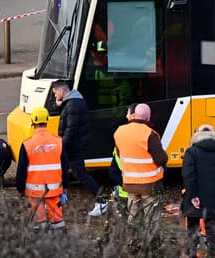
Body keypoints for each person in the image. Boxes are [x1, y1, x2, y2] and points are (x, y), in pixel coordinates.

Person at [51, 79, 107, 217]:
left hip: (73, 145)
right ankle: (60, 198)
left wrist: (61, 145)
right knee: (66, 170)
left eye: (55, 93)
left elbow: (71, 129)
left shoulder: (72, 106)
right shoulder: (74, 101)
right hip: (74, 144)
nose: (55, 96)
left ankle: (102, 200)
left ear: (62, 91)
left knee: (80, 173)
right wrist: (60, 104)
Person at [114, 103, 168, 232]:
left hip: (130, 183)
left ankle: (132, 241)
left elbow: (120, 153)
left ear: (133, 116)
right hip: (149, 185)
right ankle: (149, 243)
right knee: (150, 218)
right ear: (148, 117)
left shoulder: (119, 131)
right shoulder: (150, 134)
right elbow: (161, 159)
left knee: (133, 215)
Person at [182, 125, 215, 258]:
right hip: (212, 197)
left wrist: (193, 195)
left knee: (193, 228)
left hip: (194, 198)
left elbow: (188, 175)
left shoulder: (191, 152)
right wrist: (214, 180)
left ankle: (193, 254)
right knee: (211, 229)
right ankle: (212, 255)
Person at [15, 107, 69, 231]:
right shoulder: (58, 142)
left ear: (33, 122)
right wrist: (65, 186)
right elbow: (64, 166)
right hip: (54, 191)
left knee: (38, 223)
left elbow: (21, 170)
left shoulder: (27, 144)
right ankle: (60, 245)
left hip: (34, 193)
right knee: (58, 222)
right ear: (47, 120)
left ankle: (40, 247)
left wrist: (20, 188)